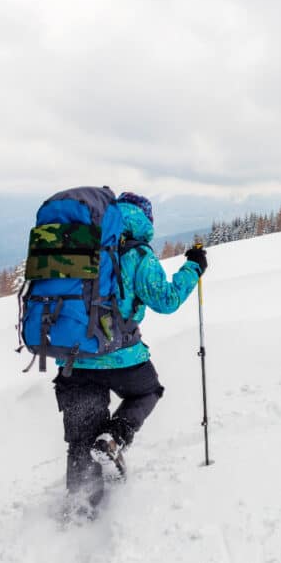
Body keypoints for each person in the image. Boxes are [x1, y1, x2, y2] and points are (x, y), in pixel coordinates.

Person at [54, 192, 207, 511]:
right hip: (121, 356)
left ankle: (81, 510)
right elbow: (166, 300)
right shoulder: (137, 254)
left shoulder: (84, 243)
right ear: (146, 219)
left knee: (80, 439)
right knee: (148, 392)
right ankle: (114, 436)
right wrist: (193, 268)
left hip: (74, 357)